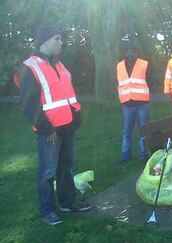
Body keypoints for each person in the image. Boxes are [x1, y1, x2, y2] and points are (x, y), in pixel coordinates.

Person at [19, 25, 91, 225]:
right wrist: (45, 128)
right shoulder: (31, 67)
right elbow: (28, 103)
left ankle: (68, 202)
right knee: (47, 172)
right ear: (45, 40)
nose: (61, 42)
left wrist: (76, 115)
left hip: (67, 126)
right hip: (50, 130)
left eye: (61, 39)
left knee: (66, 168)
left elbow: (67, 94)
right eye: (57, 39)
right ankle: (46, 210)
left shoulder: (59, 65)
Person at [116, 41, 150, 163]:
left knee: (144, 131)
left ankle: (144, 155)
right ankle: (125, 156)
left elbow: (151, 80)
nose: (130, 53)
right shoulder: (119, 66)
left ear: (137, 52)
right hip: (127, 104)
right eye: (127, 51)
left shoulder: (144, 64)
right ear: (124, 52)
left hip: (142, 104)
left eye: (132, 51)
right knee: (126, 132)